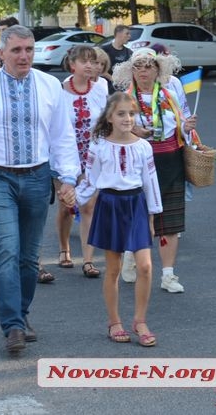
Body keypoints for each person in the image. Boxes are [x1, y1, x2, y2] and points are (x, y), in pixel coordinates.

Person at [0, 25, 80, 354]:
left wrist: (67, 178)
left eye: (29, 50)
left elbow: (62, 136)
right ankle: (11, 325)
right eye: (16, 50)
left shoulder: (50, 86)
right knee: (7, 251)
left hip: (37, 177)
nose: (24, 56)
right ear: (2, 53)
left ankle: (22, 315)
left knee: (28, 256)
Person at [76, 92, 162, 346]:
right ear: (110, 117)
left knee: (145, 266)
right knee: (113, 268)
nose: (127, 118)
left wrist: (153, 216)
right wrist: (75, 197)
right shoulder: (99, 145)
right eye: (121, 113)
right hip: (110, 205)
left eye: (132, 114)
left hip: (136, 205)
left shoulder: (143, 146)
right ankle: (114, 321)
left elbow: (151, 182)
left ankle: (140, 320)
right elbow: (90, 179)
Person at [112, 48, 196, 293]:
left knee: (170, 222)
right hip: (137, 165)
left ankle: (168, 275)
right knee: (137, 216)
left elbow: (182, 124)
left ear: (158, 70)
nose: (143, 71)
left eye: (149, 66)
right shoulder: (123, 99)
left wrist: (187, 127)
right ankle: (130, 254)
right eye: (138, 66)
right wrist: (133, 131)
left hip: (171, 162)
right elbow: (110, 134)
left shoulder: (169, 94)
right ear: (131, 71)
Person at [55, 45, 107, 278]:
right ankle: (64, 248)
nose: (90, 65)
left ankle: (87, 260)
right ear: (72, 64)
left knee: (88, 206)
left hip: (92, 157)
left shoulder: (101, 89)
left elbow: (107, 121)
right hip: (64, 157)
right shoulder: (58, 91)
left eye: (93, 61)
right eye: (84, 61)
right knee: (67, 207)